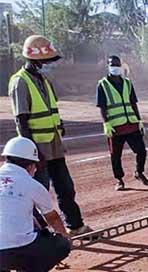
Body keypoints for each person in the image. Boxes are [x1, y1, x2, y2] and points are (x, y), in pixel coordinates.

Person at [8, 35, 92, 237]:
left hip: (54, 144)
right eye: (48, 62)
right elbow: (21, 119)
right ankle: (37, 234)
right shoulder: (20, 82)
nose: (51, 65)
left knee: (66, 187)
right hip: (37, 149)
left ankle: (75, 225)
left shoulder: (44, 81)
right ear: (35, 60)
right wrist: (32, 154)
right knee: (38, 192)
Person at [0, 137, 72, 272]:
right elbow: (51, 217)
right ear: (30, 165)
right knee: (62, 244)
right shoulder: (32, 185)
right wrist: (63, 237)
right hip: (15, 252)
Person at [97, 55, 148, 191]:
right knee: (115, 155)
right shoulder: (102, 84)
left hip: (131, 124)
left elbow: (133, 103)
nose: (115, 67)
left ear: (121, 66)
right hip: (115, 126)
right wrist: (106, 123)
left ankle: (139, 172)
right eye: (112, 65)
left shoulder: (127, 83)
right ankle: (119, 180)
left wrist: (139, 120)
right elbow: (102, 106)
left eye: (117, 65)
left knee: (141, 151)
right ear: (108, 67)